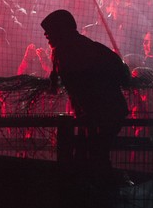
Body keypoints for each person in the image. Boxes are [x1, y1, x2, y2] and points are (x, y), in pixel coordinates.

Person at [41, 9, 130, 169]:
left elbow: (79, 88)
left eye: (49, 32)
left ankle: (100, 189)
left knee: (95, 157)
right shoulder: (82, 45)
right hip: (105, 112)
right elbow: (121, 69)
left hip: (101, 113)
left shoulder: (67, 52)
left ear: (59, 30)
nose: (46, 36)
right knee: (94, 155)